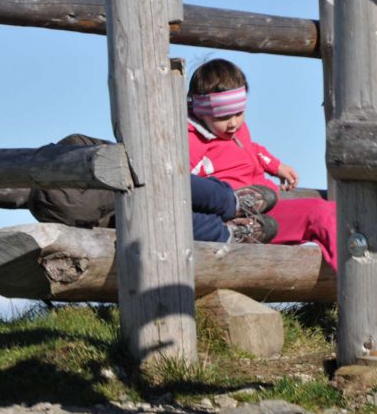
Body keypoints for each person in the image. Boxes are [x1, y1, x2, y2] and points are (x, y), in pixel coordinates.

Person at [187, 58, 338, 270]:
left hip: (263, 211)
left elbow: (252, 149)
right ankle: (354, 279)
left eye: (238, 114)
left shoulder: (237, 131)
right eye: (223, 117)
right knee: (318, 214)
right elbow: (188, 186)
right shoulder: (192, 141)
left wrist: (275, 166)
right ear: (202, 113)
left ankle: (354, 275)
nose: (233, 123)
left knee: (327, 211)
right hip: (237, 217)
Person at [28, 133, 279, 244]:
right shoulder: (70, 146)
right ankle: (231, 203)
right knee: (164, 185)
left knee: (158, 215)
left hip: (99, 208)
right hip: (133, 181)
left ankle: (226, 232)